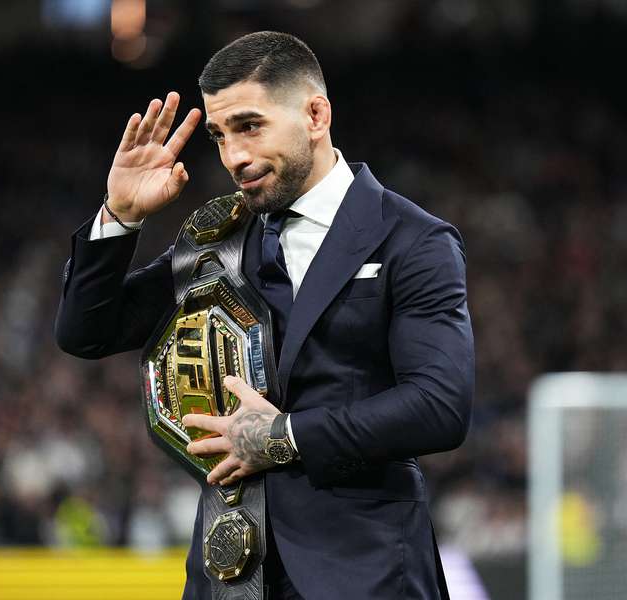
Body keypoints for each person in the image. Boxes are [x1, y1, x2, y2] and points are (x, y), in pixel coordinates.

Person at [55, 31, 473, 600]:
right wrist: (120, 218)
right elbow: (87, 331)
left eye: (249, 127)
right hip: (229, 576)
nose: (234, 157)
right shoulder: (217, 244)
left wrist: (286, 436)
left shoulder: (412, 241)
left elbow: (439, 406)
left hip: (364, 572)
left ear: (316, 114)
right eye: (220, 137)